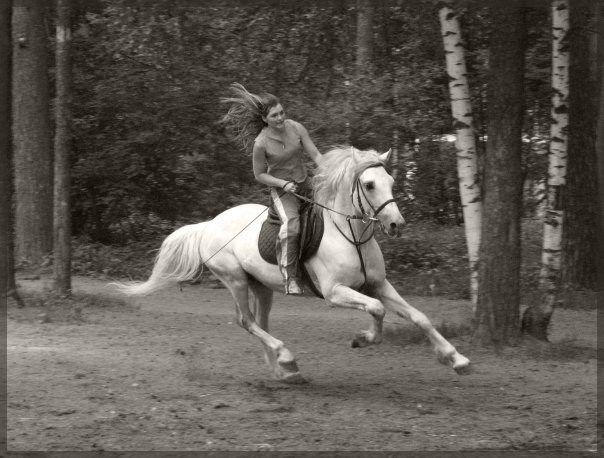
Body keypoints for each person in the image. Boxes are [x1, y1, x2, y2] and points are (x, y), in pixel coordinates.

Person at [221, 83, 323, 295]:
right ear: (265, 119)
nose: (280, 118)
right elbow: (259, 175)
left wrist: (329, 170)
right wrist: (281, 183)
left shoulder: (296, 128)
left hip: (305, 183)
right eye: (274, 115)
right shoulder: (261, 143)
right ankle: (290, 277)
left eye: (281, 112)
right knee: (292, 226)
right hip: (283, 192)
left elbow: (315, 155)